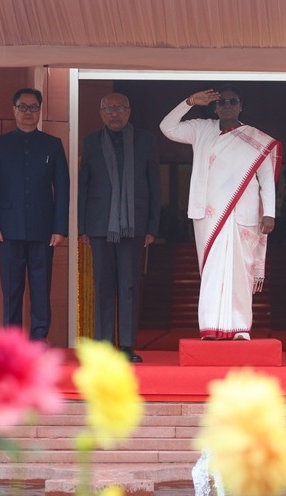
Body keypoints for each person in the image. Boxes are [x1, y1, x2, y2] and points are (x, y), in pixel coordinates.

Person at [159, 85, 281, 341]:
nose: (227, 105)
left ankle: (240, 327)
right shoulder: (201, 128)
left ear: (240, 105)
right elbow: (167, 127)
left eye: (232, 101)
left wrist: (268, 212)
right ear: (215, 107)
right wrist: (190, 101)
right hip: (209, 213)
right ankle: (210, 326)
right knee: (212, 271)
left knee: (242, 272)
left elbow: (267, 177)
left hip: (243, 214)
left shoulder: (255, 139)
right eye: (222, 102)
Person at [0, 88, 69, 342]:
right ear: (14, 110)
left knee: (41, 290)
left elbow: (62, 188)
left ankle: (39, 340)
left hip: (44, 229)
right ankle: (13, 343)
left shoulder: (53, 144)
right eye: (23, 107)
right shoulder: (0, 144)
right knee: (12, 290)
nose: (28, 112)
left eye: (33, 107)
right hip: (7, 229)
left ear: (40, 111)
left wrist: (59, 228)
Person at [78, 92, 161, 362]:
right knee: (103, 285)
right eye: (109, 109)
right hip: (100, 225)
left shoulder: (146, 141)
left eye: (120, 108)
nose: (115, 113)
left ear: (129, 111)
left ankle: (126, 345)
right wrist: (82, 227)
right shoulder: (90, 142)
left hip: (134, 225)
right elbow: (84, 187)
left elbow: (154, 186)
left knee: (128, 286)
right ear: (101, 113)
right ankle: (103, 347)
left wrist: (152, 226)